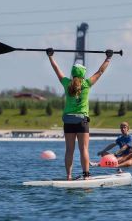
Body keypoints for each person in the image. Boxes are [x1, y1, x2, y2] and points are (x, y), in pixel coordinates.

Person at [47, 47, 112, 180]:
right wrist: (108, 58)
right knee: (84, 149)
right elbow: (100, 72)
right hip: (82, 120)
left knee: (69, 150)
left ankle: (69, 176)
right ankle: (86, 176)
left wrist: (50, 56)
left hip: (68, 120)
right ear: (83, 73)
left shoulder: (66, 83)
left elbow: (56, 70)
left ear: (72, 73)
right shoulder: (87, 84)